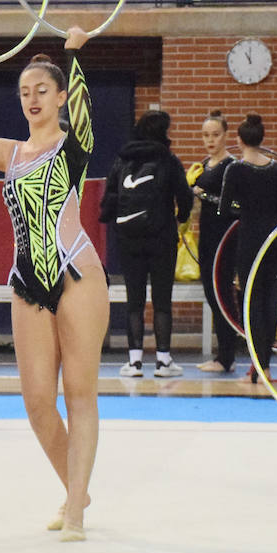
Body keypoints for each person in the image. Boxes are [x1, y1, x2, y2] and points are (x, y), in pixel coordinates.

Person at [0, 27, 105, 542]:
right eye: (25, 92)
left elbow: (86, 114)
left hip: (76, 274)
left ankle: (74, 507)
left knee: (79, 394)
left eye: (42, 91)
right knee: (36, 402)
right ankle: (78, 488)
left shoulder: (75, 146)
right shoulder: (10, 154)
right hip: (28, 281)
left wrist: (73, 53)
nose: (32, 99)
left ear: (60, 97)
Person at [100, 110, 192, 377]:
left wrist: (110, 220)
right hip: (162, 239)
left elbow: (109, 199)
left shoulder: (122, 159)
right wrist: (181, 217)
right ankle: (163, 361)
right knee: (162, 301)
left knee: (134, 301)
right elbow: (185, 197)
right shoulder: (168, 160)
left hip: (128, 240)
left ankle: (135, 362)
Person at [219, 113, 277, 383]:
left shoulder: (236, 169)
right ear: (261, 139)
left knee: (251, 302)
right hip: (274, 238)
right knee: (270, 299)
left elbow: (225, 209)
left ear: (239, 140)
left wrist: (244, 206)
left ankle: (257, 368)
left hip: (251, 238)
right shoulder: (275, 169)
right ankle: (265, 366)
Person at [190, 110, 239, 373]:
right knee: (211, 293)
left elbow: (235, 205)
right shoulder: (204, 165)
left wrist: (203, 195)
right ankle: (224, 353)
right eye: (206, 135)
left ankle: (227, 355)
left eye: (216, 135)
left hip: (225, 238)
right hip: (207, 236)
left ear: (226, 135)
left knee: (222, 295)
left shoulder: (231, 167)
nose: (210, 140)